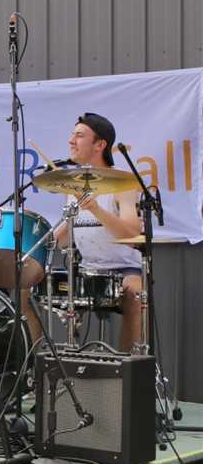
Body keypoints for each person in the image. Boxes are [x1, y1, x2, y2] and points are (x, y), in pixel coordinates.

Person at [26, 113, 142, 351]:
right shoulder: (75, 184)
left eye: (79, 135)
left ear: (100, 145)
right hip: (86, 271)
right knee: (25, 287)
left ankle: (126, 373)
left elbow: (132, 234)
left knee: (135, 294)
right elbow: (65, 233)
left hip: (123, 270)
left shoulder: (124, 183)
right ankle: (32, 366)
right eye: (72, 135)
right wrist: (31, 249)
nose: (71, 141)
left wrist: (97, 209)